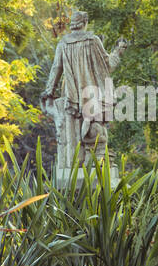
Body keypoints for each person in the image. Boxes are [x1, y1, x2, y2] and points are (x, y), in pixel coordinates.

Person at [40, 10, 128, 178]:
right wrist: (118, 51)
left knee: (73, 135)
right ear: (85, 22)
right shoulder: (92, 41)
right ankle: (93, 164)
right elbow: (108, 66)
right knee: (93, 134)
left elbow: (56, 68)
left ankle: (75, 169)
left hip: (71, 96)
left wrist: (49, 91)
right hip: (91, 96)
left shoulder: (63, 44)